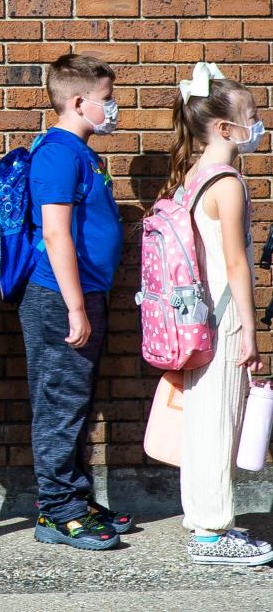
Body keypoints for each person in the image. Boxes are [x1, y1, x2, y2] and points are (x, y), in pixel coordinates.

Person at [163, 62, 273, 566]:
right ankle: (211, 530)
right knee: (218, 420)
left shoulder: (192, 175)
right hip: (223, 316)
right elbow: (235, 263)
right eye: (251, 116)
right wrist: (251, 331)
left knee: (206, 418)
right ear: (225, 128)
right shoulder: (227, 182)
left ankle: (209, 522)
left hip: (195, 314)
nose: (258, 125)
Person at [21, 54, 131, 551]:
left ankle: (77, 496)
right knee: (59, 403)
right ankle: (57, 511)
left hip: (84, 294)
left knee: (77, 401)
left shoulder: (81, 152)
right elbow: (55, 233)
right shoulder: (59, 154)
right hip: (60, 299)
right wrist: (75, 308)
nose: (113, 109)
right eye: (107, 100)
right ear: (79, 101)